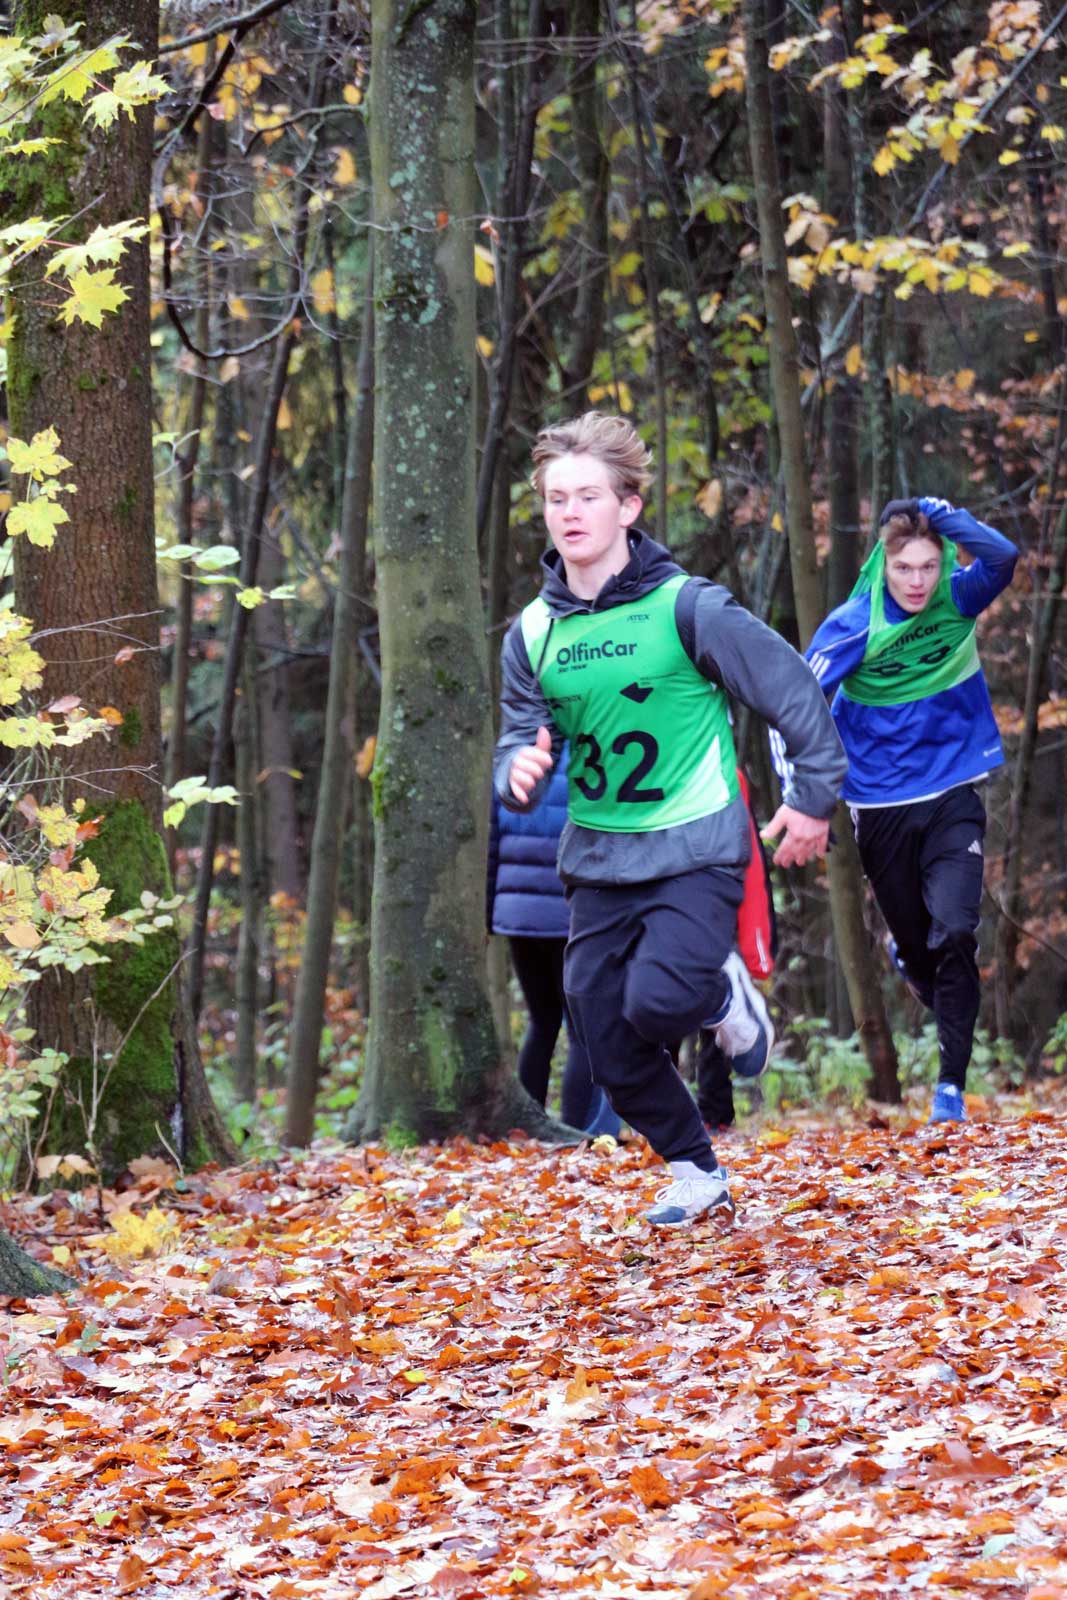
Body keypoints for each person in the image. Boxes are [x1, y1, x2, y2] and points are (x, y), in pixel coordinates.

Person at [493, 412, 846, 1227]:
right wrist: (514, 771)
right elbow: (518, 736)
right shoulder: (533, 632)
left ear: (628, 507)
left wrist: (811, 798)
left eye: (588, 496)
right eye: (555, 498)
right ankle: (695, 1171)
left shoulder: (688, 608)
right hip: (597, 859)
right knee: (603, 1037)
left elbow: (791, 690)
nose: (569, 512)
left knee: (657, 1002)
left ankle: (721, 993)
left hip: (694, 843)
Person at [801, 496, 1018, 1124]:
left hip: (953, 791)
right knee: (922, 951)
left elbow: (1004, 556)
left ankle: (950, 1089)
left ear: (942, 563)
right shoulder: (854, 623)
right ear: (883, 565)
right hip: (880, 803)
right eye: (904, 568)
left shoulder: (959, 597)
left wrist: (939, 514)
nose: (918, 581)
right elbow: (796, 701)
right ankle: (910, 959)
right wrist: (808, 798)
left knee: (956, 932)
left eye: (928, 566)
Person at [487, 746, 621, 1137]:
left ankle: (528, 1130)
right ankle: (573, 1131)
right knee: (581, 1031)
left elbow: (492, 843)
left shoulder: (514, 764)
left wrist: (490, 912)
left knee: (541, 1022)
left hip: (517, 916)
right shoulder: (591, 756)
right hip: (570, 913)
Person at [694, 769, 777, 1130]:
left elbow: (750, 859)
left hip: (713, 898)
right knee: (661, 1007)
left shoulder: (723, 771)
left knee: (707, 1003)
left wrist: (756, 946)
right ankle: (677, 1116)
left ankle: (715, 1112)